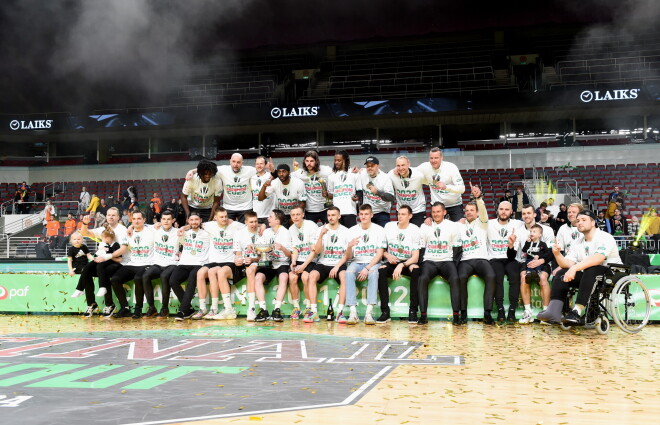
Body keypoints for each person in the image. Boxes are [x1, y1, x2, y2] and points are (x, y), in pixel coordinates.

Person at [538, 210, 622, 325]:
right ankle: (554, 311)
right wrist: (557, 254)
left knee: (591, 268)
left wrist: (574, 268)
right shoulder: (577, 242)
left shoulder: (605, 237)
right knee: (561, 273)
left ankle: (576, 311)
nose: (579, 223)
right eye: (577, 221)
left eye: (583, 220)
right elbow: (566, 263)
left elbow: (598, 258)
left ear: (593, 222)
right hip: (590, 276)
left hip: (612, 273)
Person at [192, 207, 245, 320]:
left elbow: (251, 225)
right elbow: (194, 224)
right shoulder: (209, 225)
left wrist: (263, 226)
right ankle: (203, 308)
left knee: (214, 272)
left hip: (229, 261)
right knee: (201, 273)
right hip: (214, 261)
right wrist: (184, 227)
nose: (224, 219)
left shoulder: (235, 225)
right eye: (221, 217)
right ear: (215, 218)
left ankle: (216, 308)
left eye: (226, 216)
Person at [457, 184, 498, 324]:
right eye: (467, 210)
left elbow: (484, 211)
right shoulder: (460, 226)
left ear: (477, 212)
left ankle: (487, 312)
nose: (469, 212)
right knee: (461, 277)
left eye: (471, 210)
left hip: (481, 259)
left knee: (491, 275)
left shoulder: (483, 223)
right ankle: (463, 313)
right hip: (465, 260)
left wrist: (478, 198)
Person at [418, 202, 462, 324]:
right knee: (422, 278)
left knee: (455, 278)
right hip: (429, 261)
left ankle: (456, 316)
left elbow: (457, 249)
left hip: (446, 261)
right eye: (433, 212)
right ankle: (423, 315)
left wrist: (454, 265)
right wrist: (422, 264)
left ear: (444, 212)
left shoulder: (453, 226)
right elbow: (421, 248)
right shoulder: (425, 226)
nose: (436, 214)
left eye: (438, 211)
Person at [304, 206, 350, 323]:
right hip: (323, 262)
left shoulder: (346, 231)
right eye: (329, 215)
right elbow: (317, 251)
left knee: (344, 276)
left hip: (338, 263)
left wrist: (336, 267)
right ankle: (314, 312)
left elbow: (346, 255)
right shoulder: (321, 229)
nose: (331, 217)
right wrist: (321, 236)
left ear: (339, 216)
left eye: (333, 215)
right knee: (312, 276)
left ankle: (340, 313)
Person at [378, 205, 421, 323]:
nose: (400, 216)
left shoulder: (415, 229)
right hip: (392, 261)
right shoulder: (389, 226)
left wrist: (402, 265)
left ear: (410, 216)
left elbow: (415, 257)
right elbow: (381, 250)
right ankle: (385, 312)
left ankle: (413, 311)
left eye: (403, 214)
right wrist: (387, 255)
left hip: (407, 262)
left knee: (415, 269)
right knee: (381, 270)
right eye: (399, 214)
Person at [109, 210, 156, 319]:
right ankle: (124, 308)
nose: (136, 221)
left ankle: (138, 308)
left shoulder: (151, 230)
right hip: (131, 263)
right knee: (115, 279)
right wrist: (109, 256)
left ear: (144, 220)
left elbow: (160, 224)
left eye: (139, 218)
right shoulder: (127, 233)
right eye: (134, 219)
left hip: (147, 263)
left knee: (138, 278)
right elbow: (123, 248)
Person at [344, 204, 386, 325]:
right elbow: (348, 257)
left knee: (373, 273)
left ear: (371, 215)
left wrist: (367, 268)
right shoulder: (351, 231)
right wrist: (349, 246)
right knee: (349, 272)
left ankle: (369, 312)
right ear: (358, 215)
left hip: (372, 262)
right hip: (356, 261)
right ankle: (353, 312)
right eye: (361, 214)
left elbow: (379, 254)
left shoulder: (379, 230)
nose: (364, 216)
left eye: (366, 214)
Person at [249, 209, 292, 321]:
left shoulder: (285, 232)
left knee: (284, 277)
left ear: (277, 220)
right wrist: (254, 247)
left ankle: (276, 310)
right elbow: (260, 250)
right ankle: (263, 310)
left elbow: (289, 254)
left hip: (282, 262)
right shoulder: (267, 232)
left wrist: (281, 247)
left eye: (271, 216)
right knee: (258, 278)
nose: (268, 218)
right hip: (269, 262)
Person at [169, 213, 210, 320]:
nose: (194, 222)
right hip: (184, 263)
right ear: (188, 221)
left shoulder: (207, 233)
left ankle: (182, 310)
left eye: (196, 219)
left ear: (201, 220)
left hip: (199, 263)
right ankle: (188, 308)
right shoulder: (184, 233)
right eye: (191, 220)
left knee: (192, 278)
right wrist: (183, 228)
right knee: (173, 281)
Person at [487, 200, 523, 322]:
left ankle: (512, 309)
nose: (503, 212)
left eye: (507, 209)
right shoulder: (489, 223)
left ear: (511, 212)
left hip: (510, 258)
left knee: (514, 277)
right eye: (501, 209)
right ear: (497, 210)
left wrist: (511, 245)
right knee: (497, 278)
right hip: (495, 258)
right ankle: (500, 309)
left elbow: (532, 222)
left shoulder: (517, 224)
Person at [509, 224, 552, 324]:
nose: (532, 233)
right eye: (531, 232)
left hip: (542, 262)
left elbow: (548, 253)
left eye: (534, 232)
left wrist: (540, 259)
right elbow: (524, 250)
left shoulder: (544, 242)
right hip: (528, 261)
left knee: (542, 278)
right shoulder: (527, 240)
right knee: (524, 277)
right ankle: (527, 311)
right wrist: (527, 242)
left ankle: (546, 312)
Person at [141, 210, 180, 318]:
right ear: (160, 220)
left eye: (168, 219)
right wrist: (130, 228)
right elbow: (139, 225)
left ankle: (164, 308)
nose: (166, 221)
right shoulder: (154, 230)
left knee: (164, 277)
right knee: (145, 276)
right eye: (163, 219)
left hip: (172, 263)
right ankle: (152, 308)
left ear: (173, 220)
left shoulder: (178, 232)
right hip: (158, 263)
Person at [417, 148, 466, 222]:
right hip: (437, 205)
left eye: (436, 158)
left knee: (459, 229)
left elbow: (462, 189)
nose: (433, 161)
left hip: (454, 204)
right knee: (435, 230)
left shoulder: (451, 167)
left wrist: (446, 187)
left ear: (441, 158)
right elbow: (412, 173)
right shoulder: (424, 167)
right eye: (431, 158)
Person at [288, 206, 319, 320]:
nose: (295, 217)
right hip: (299, 259)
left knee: (305, 277)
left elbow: (314, 251)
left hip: (311, 259)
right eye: (293, 215)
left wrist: (304, 266)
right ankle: (296, 307)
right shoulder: (291, 229)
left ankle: (308, 306)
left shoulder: (311, 225)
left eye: (298, 214)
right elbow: (295, 249)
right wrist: (293, 261)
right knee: (292, 277)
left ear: (302, 215)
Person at [216, 153, 261, 222]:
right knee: (228, 230)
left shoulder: (250, 170)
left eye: (238, 162)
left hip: (245, 206)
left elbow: (262, 170)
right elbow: (206, 167)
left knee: (244, 230)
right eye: (233, 161)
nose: (235, 164)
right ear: (230, 161)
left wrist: (272, 170)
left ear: (242, 163)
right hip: (228, 207)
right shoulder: (223, 170)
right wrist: (193, 171)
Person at [233, 211, 261, 320]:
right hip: (245, 262)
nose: (254, 224)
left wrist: (253, 259)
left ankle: (251, 308)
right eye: (251, 222)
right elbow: (238, 253)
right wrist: (238, 260)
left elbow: (264, 256)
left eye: (256, 221)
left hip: (259, 261)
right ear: (245, 222)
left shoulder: (263, 232)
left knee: (250, 270)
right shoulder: (239, 234)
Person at [292, 151, 333, 224]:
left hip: (325, 208)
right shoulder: (300, 173)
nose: (309, 163)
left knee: (328, 231)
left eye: (311, 161)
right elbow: (284, 176)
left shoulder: (326, 170)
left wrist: (353, 171)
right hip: (310, 210)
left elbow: (339, 171)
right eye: (307, 161)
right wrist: (296, 168)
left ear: (316, 161)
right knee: (310, 233)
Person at [388, 156, 427, 227]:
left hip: (417, 210)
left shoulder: (419, 175)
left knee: (416, 234)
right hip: (401, 210)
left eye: (403, 165)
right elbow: (380, 176)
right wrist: (364, 170)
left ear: (409, 164)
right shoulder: (391, 174)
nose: (400, 168)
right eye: (398, 166)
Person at [327, 150, 361, 228]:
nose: (336, 162)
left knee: (350, 236)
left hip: (350, 210)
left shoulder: (354, 173)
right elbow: (331, 195)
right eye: (335, 160)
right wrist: (326, 194)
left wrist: (357, 197)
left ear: (345, 160)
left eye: (339, 160)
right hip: (336, 212)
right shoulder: (331, 176)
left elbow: (359, 191)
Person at [359, 156, 395, 227]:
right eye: (368, 166)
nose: (370, 168)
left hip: (382, 212)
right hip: (367, 212)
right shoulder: (362, 174)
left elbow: (391, 197)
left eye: (372, 166)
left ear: (378, 166)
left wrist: (377, 192)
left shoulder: (385, 178)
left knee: (383, 235)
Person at [250, 156, 276, 226]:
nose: (259, 166)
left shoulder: (271, 176)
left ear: (265, 165)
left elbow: (278, 176)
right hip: (256, 215)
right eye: (257, 164)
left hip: (269, 215)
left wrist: (273, 171)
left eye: (261, 163)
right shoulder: (251, 178)